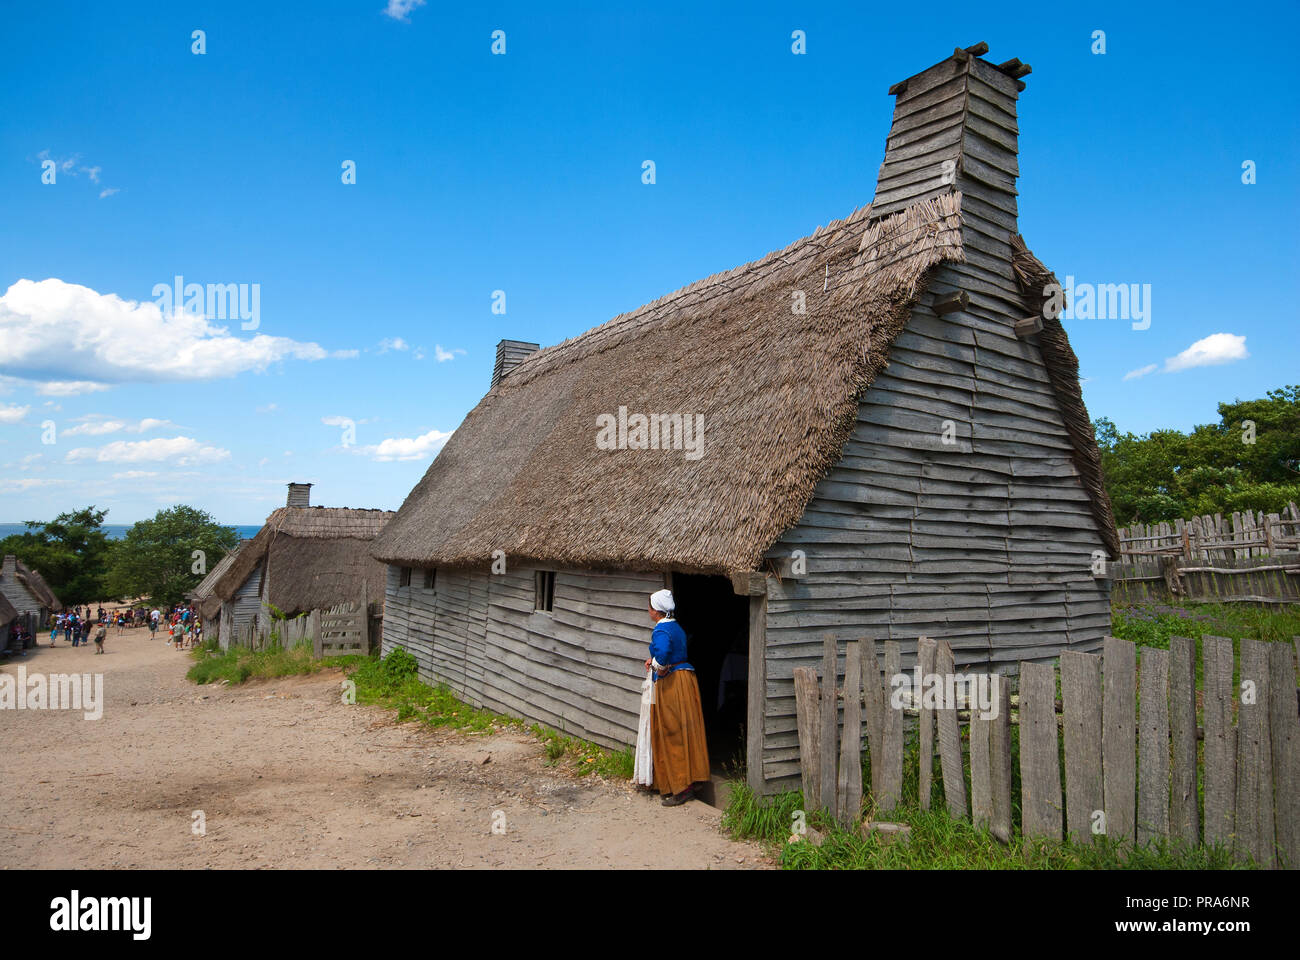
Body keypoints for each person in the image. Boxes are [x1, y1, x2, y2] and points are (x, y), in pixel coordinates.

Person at [644, 589, 710, 806]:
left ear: (656, 611)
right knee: (687, 729)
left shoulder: (661, 630)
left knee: (671, 732)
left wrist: (656, 665)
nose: (649, 610)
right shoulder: (676, 627)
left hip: (672, 683)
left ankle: (681, 788)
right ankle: (695, 777)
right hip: (686, 679)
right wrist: (655, 660)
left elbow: (662, 657)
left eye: (650, 607)